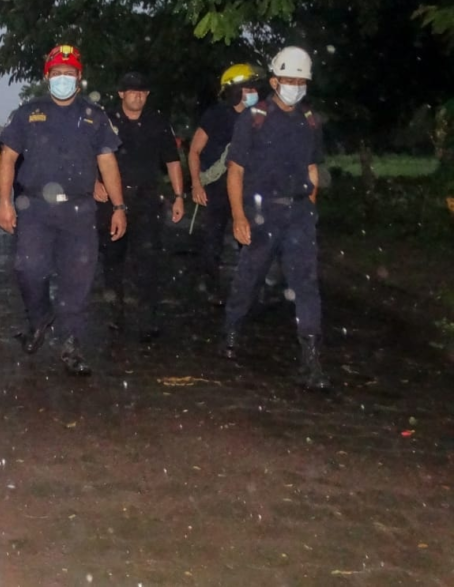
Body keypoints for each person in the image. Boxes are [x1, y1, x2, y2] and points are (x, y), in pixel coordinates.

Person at [0, 45, 127, 375]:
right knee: (28, 269)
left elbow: (107, 161)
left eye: (69, 73)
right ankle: (40, 317)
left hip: (80, 210)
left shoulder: (95, 116)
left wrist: (118, 206)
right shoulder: (28, 113)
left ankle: (71, 343)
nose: (63, 79)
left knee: (77, 280)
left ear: (79, 78)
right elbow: (8, 158)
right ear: (47, 76)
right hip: (35, 208)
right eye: (57, 73)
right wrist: (4, 202)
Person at [220, 46, 330, 391]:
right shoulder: (254, 118)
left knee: (306, 285)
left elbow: (312, 169)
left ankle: (311, 359)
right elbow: (235, 170)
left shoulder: (310, 121)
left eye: (300, 81)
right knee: (249, 277)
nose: (294, 86)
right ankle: (232, 330)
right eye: (288, 80)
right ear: (274, 81)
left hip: (298, 213)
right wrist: (239, 216)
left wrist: (309, 209)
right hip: (262, 212)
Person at [95, 71, 185, 343]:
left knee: (148, 259)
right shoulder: (106, 121)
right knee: (113, 258)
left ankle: (148, 317)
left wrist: (179, 196)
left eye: (143, 92)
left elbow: (172, 161)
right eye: (132, 91)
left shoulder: (157, 122)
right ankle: (115, 311)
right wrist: (93, 182)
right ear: (121, 93)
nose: (138, 96)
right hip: (111, 200)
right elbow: (88, 154)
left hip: (147, 200)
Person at [189, 64, 261, 304]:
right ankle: (209, 286)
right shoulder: (216, 115)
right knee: (213, 239)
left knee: (249, 239)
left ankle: (248, 291)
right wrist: (197, 184)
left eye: (254, 88)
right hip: (217, 187)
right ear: (234, 91)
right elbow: (194, 151)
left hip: (247, 187)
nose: (252, 92)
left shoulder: (259, 117)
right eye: (247, 88)